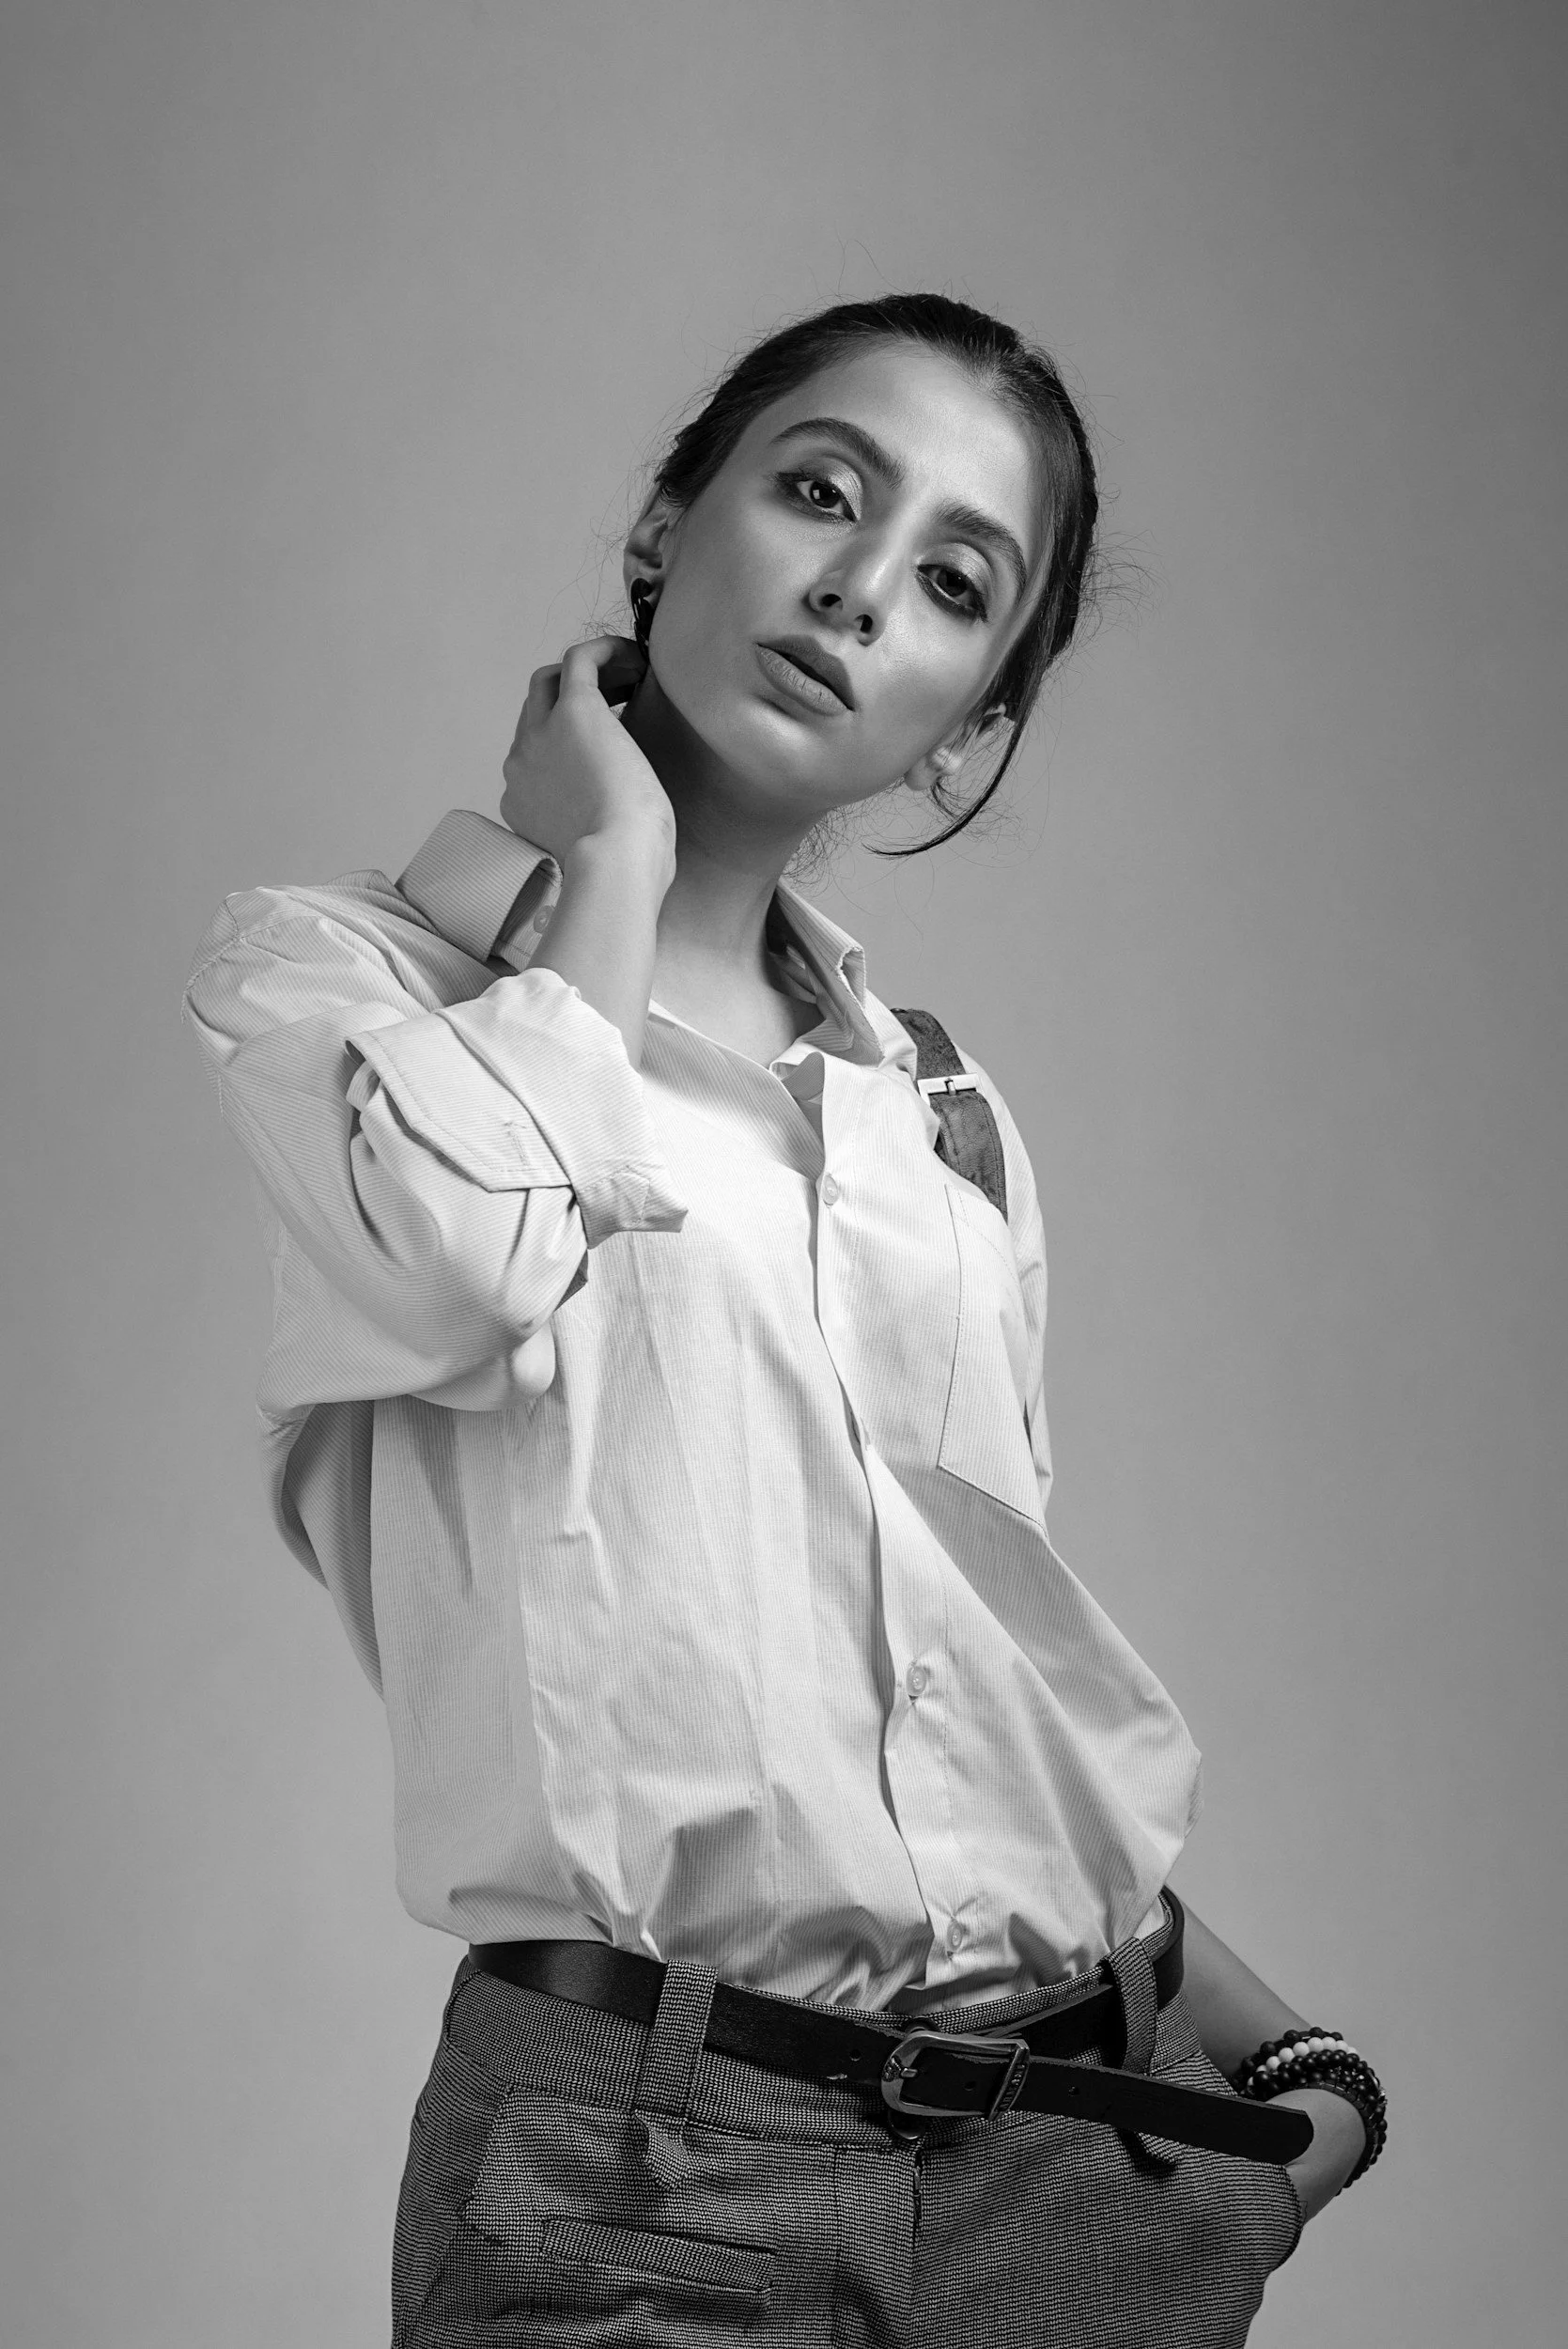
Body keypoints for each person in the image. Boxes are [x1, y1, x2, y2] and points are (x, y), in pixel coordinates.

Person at [184, 294, 1384, 2347]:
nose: (853, 587)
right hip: (649, 2175)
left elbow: (980, 1680)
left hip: (1064, 2177)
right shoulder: (354, 990)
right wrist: (615, 857)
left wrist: (1309, 2088)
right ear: (670, 525)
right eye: (818, 491)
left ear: (971, 719)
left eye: (950, 583)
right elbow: (481, 1251)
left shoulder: (944, 1116)